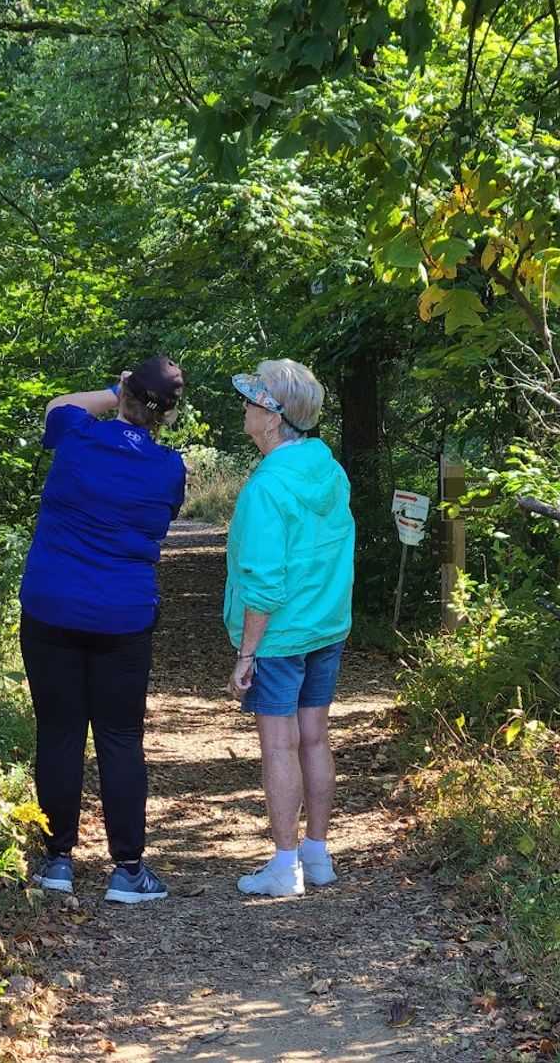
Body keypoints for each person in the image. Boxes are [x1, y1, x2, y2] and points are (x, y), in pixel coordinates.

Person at [19, 356, 185, 904]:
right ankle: (128, 871)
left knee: (59, 732)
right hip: (123, 617)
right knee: (120, 737)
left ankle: (57, 863)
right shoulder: (169, 468)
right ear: (168, 414)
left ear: (124, 391)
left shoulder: (77, 436)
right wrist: (139, 405)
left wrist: (117, 394)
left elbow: (58, 405)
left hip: (51, 608)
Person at [224, 359, 355, 898]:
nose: (245, 409)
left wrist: (246, 653)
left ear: (274, 419)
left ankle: (284, 867)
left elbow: (264, 581)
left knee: (279, 746)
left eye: (253, 402)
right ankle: (316, 855)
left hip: (280, 637)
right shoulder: (329, 470)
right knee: (315, 737)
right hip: (326, 626)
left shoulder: (266, 488)